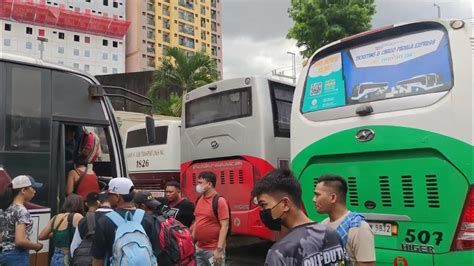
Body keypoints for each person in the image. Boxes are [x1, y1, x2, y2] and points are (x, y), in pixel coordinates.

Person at [252, 169, 346, 266]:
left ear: (285, 204)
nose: (262, 211)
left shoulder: (280, 253)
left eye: (263, 205)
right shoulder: (332, 233)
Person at [91, 177, 159, 266]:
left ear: (117, 197)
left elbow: (98, 258)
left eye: (109, 195)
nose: (108, 198)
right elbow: (156, 251)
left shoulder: (105, 221)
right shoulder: (147, 218)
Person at [314, 174, 376, 266]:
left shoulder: (359, 228)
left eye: (317, 195)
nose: (314, 199)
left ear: (333, 198)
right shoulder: (323, 225)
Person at [0, 175, 44, 265]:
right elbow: (20, 241)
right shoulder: (21, 211)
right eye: (33, 188)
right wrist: (37, 246)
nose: (35, 191)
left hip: (4, 255)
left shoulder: (5, 209)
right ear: (23, 190)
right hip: (17, 256)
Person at [191, 172, 229, 266]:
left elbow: (225, 226)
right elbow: (197, 221)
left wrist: (219, 250)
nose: (198, 186)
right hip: (199, 248)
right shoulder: (199, 199)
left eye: (200, 183)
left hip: (213, 250)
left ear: (209, 184)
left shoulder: (219, 201)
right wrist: (191, 241)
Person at [39, 194, 84, 266]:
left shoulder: (55, 217)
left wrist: (58, 234)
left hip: (55, 257)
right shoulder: (77, 216)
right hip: (68, 258)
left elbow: (41, 236)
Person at [66, 130, 101, 199]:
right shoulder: (93, 173)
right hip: (92, 205)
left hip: (80, 207)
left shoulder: (73, 173)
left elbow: (68, 193)